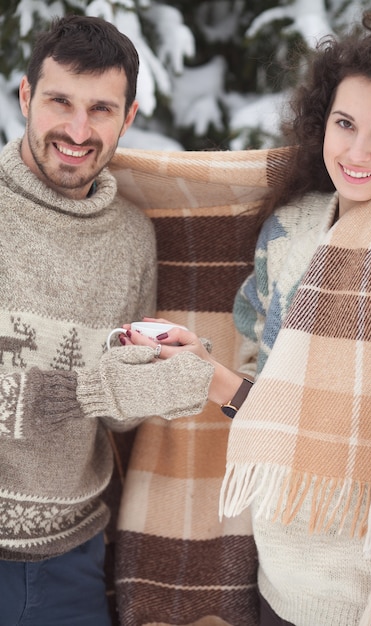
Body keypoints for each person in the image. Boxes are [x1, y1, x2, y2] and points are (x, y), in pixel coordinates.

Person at [121, 12, 371, 626]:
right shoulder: (290, 231)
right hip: (284, 564)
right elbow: (274, 407)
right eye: (345, 124)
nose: (357, 152)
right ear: (321, 123)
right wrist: (209, 373)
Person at [0, 14, 214, 626]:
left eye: (100, 109)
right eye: (59, 101)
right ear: (25, 97)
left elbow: (113, 412)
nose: (76, 128)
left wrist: (153, 386)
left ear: (129, 118)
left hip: (73, 557)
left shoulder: (131, 239)